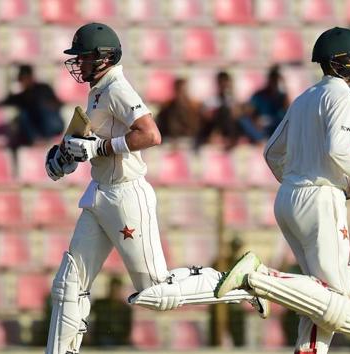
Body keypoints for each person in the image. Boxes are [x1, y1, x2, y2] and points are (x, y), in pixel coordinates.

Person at [43, 22, 268, 354]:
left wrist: (100, 148)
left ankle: (244, 283)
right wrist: (68, 154)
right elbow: (91, 142)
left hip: (125, 195)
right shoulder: (98, 91)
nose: (80, 64)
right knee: (69, 284)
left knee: (154, 292)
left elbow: (150, 134)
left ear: (105, 58)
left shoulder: (117, 87)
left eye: (86, 57)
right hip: (100, 193)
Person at [215, 27, 350, 354]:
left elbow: (271, 152)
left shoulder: (305, 97)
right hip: (319, 200)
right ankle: (259, 277)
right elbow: (339, 152)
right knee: (334, 295)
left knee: (320, 297)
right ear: (337, 61)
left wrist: (297, 181)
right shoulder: (342, 95)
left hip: (290, 197)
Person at [1, 65, 64, 147]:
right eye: (21, 80)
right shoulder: (22, 96)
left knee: (41, 108)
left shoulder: (43, 88)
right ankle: (36, 140)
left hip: (52, 125)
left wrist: (45, 105)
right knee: (23, 115)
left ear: (30, 77)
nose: (23, 82)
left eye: (24, 78)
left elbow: (58, 104)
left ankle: (44, 139)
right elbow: (5, 102)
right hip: (38, 129)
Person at [195, 71, 242, 150]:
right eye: (222, 82)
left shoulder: (232, 100)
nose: (224, 85)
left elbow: (237, 115)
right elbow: (205, 116)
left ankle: (231, 139)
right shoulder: (211, 100)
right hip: (215, 127)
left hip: (229, 128)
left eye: (226, 82)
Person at [246, 65, 289, 138]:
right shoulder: (259, 95)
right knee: (245, 121)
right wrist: (255, 121)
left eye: (276, 80)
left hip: (278, 124)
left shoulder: (282, 96)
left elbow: (288, 111)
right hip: (262, 125)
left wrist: (284, 87)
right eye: (273, 79)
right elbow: (250, 112)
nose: (274, 83)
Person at [90, 276, 132, 347]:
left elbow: (128, 329)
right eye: (113, 289)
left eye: (117, 289)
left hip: (119, 340)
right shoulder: (99, 304)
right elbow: (87, 318)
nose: (114, 292)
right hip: (100, 338)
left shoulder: (126, 308)